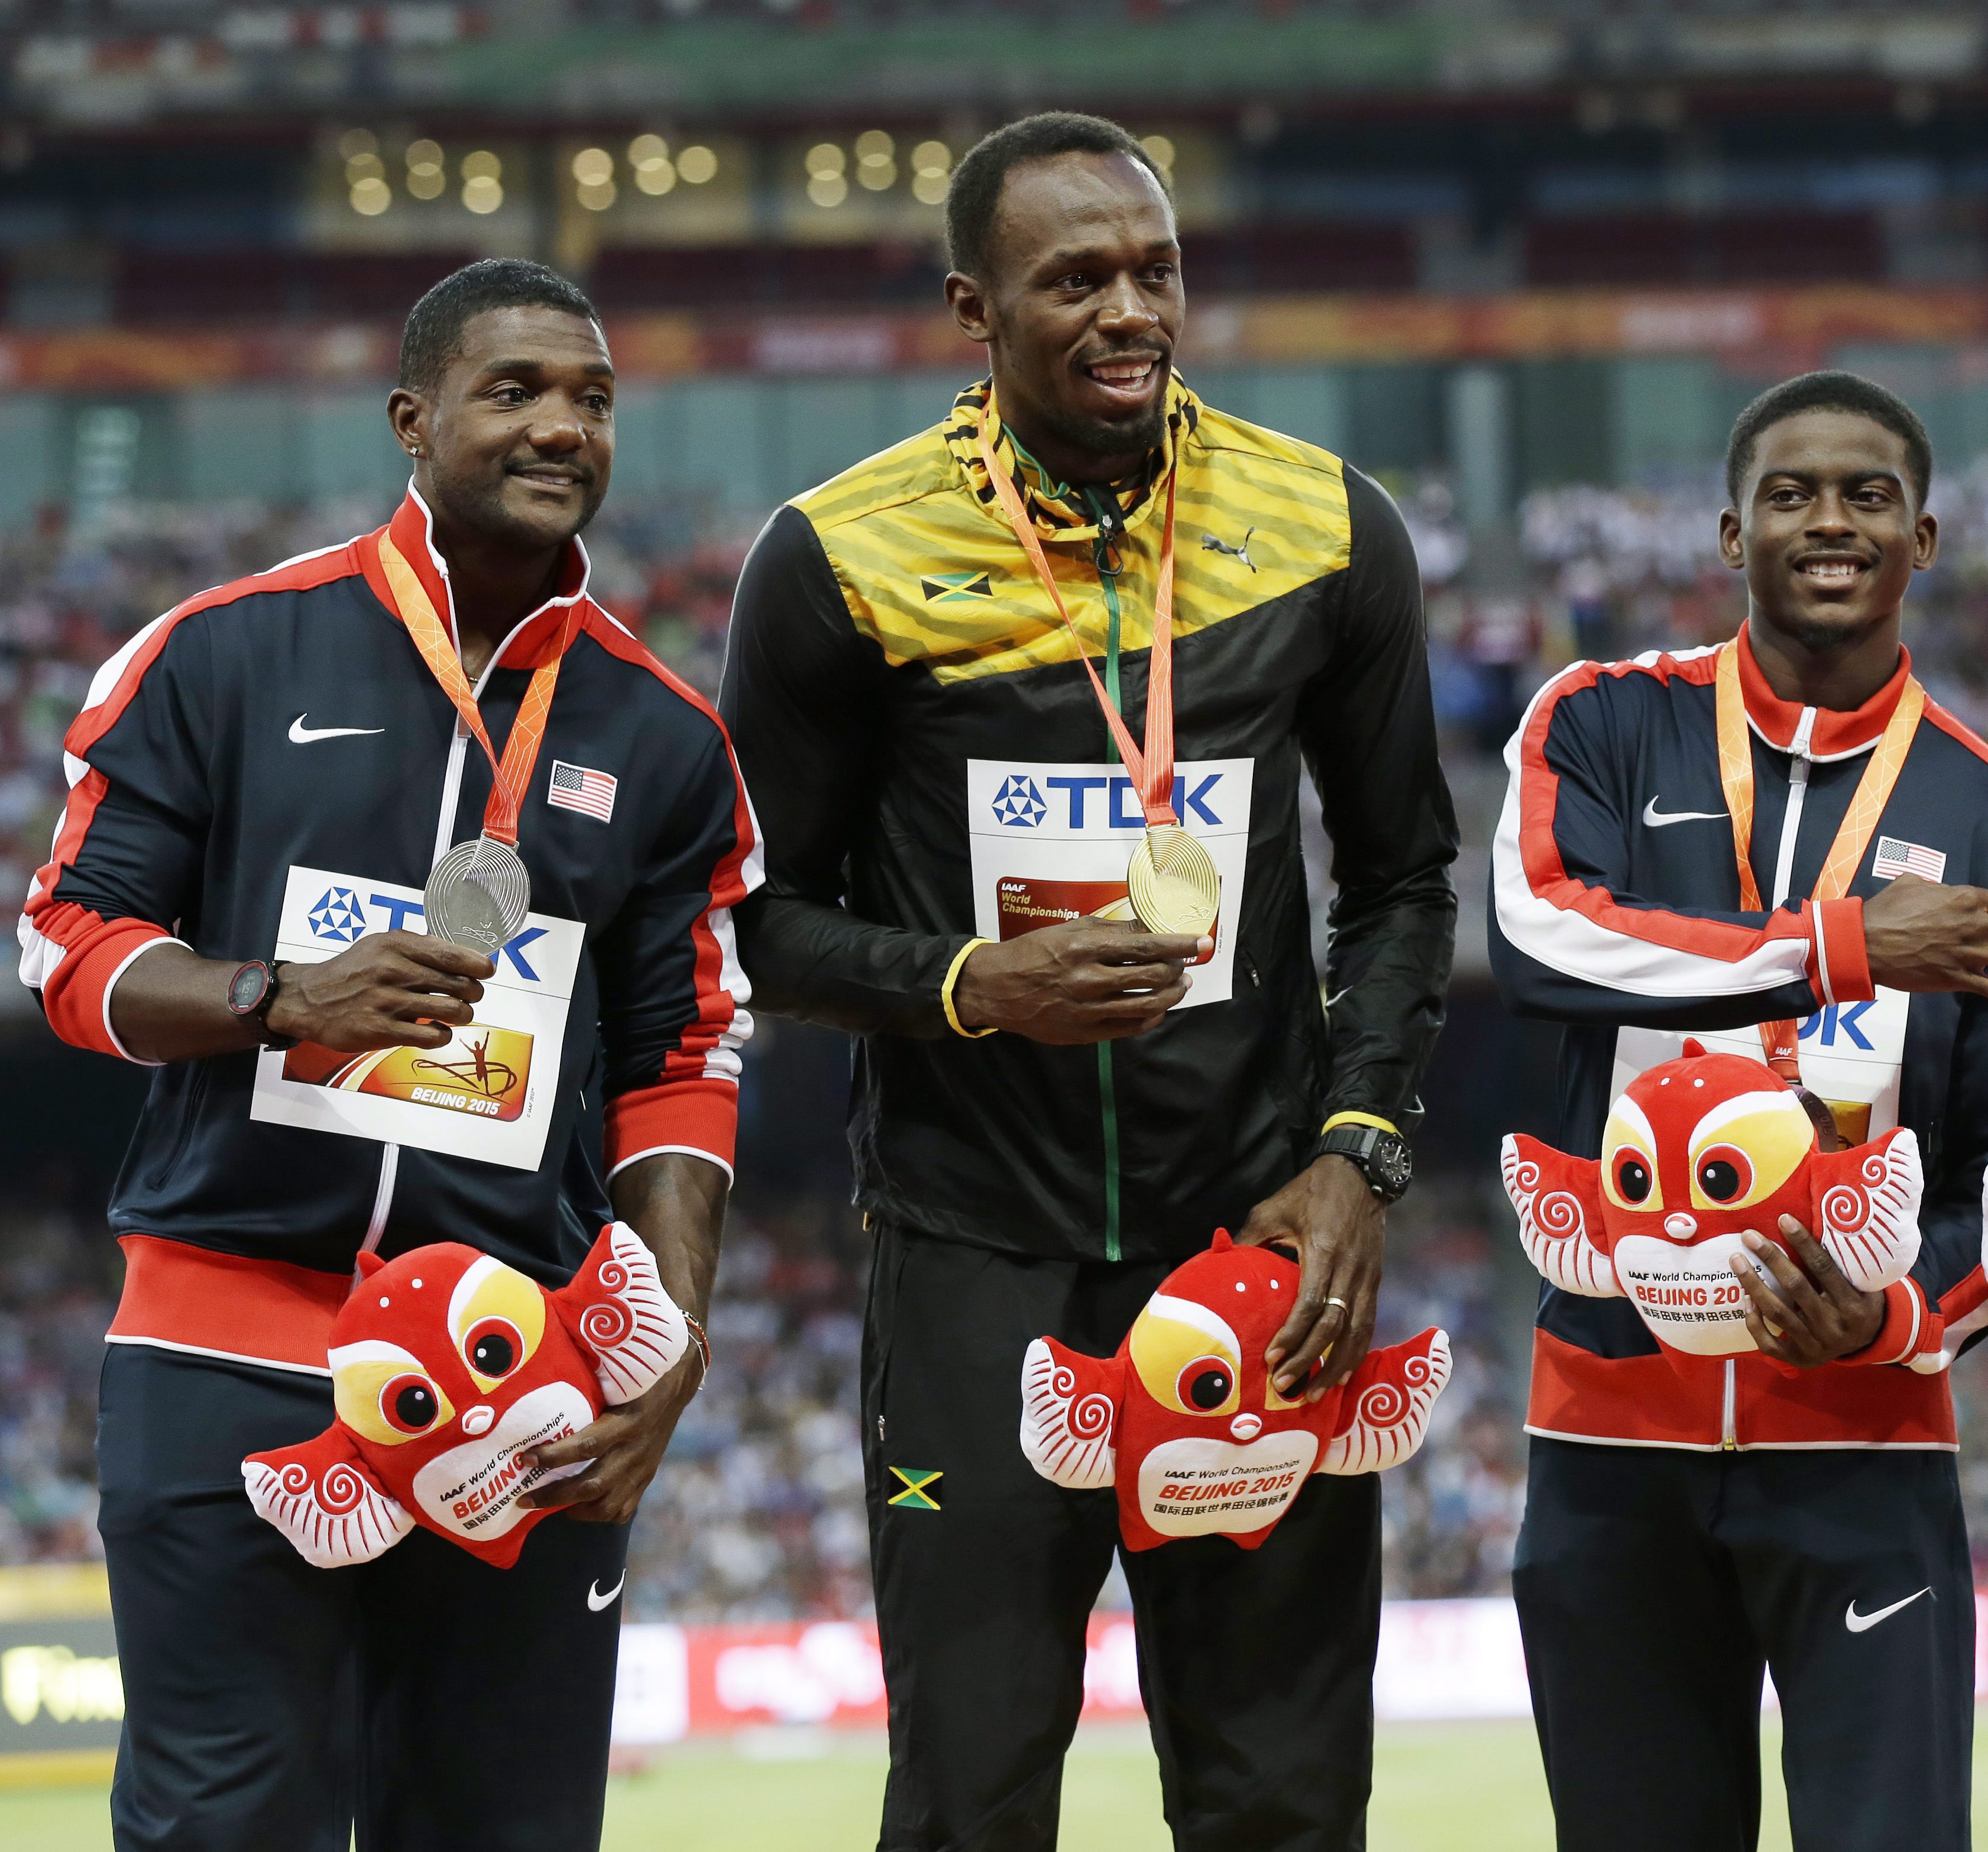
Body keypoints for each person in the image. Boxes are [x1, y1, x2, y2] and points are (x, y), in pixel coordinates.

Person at [717, 112, 1456, 1851]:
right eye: (1076, 281)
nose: (1131, 310)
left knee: (1278, 1792)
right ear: (974, 309)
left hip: (1257, 1245)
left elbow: (1408, 877)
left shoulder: (1327, 524)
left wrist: (1356, 1153)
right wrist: (982, 982)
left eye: (1156, 269)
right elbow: (749, 921)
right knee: (973, 1789)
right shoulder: (839, 558)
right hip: (977, 1254)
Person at [15, 258, 756, 1849]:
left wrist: (669, 1339)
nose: (563, 423)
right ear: (411, 418)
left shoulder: (665, 737)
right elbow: (65, 951)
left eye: (594, 397)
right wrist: (278, 997)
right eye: (516, 390)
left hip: (529, 1382)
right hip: (229, 1354)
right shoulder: (219, 654)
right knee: (226, 1825)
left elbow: (684, 1054)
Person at [1490, 371, 1988, 1852]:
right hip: (1610, 1427)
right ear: (1730, 532)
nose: (1830, 521)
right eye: (1793, 494)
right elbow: (1538, 937)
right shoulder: (1604, 724)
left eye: (1868, 495)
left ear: (1925, 539)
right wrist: (1838, 945)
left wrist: (1892, 1326)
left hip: (1867, 1437)